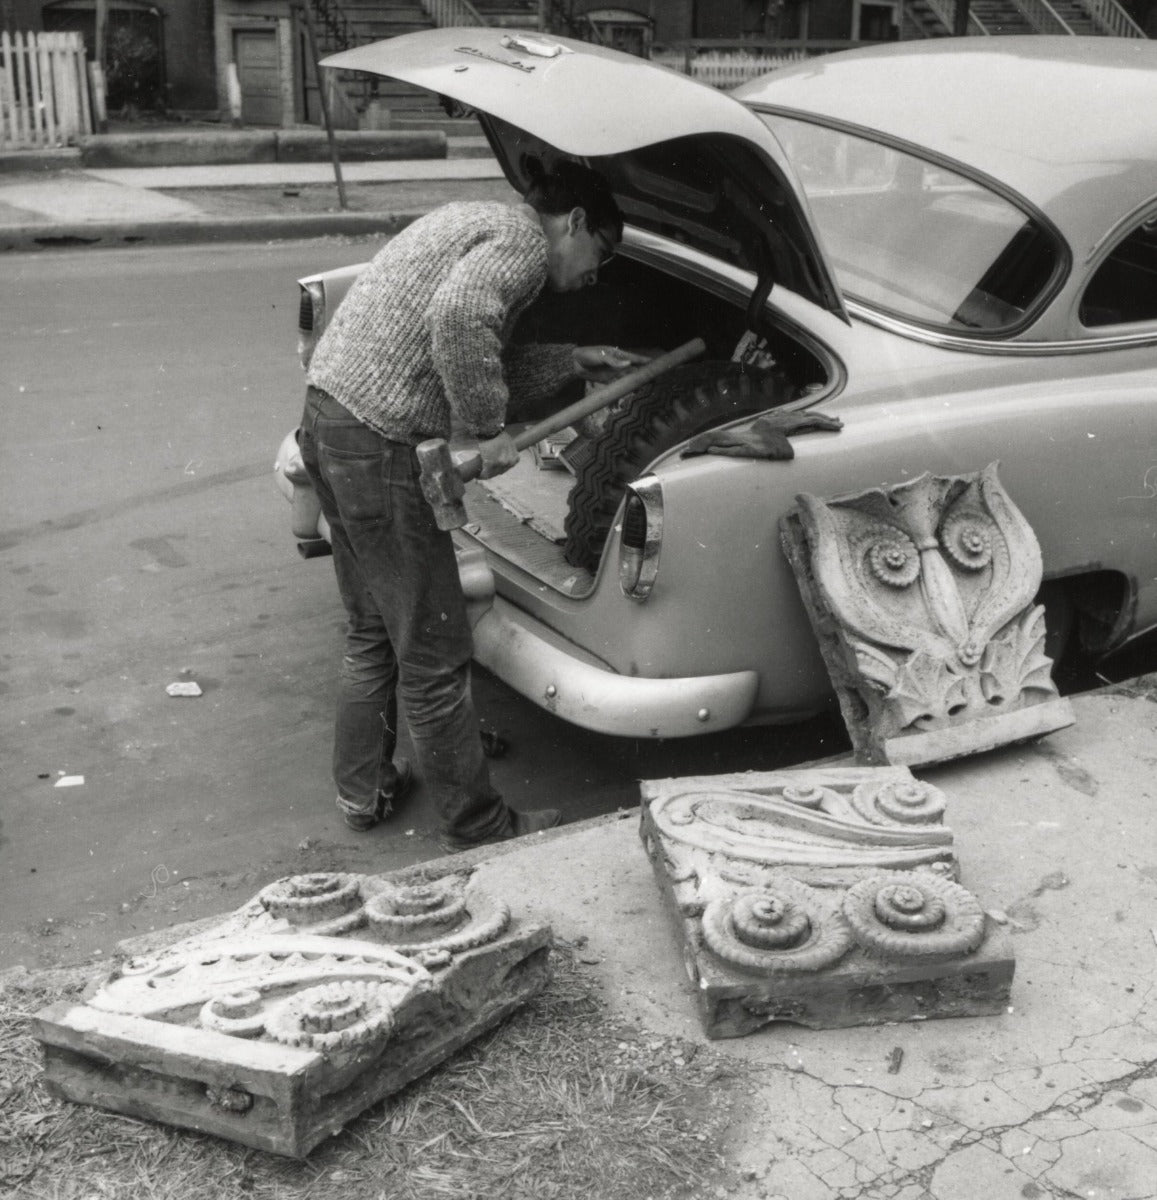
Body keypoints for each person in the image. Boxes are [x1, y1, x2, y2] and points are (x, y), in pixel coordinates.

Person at [299, 160, 644, 852]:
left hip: (329, 420)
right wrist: (485, 435)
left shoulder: (476, 220)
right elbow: (461, 324)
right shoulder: (521, 243)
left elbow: (462, 343)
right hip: (379, 446)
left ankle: (362, 791)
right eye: (598, 254)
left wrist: (574, 360)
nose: (594, 275)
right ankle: (480, 826)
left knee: (374, 629)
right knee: (433, 650)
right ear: (572, 224)